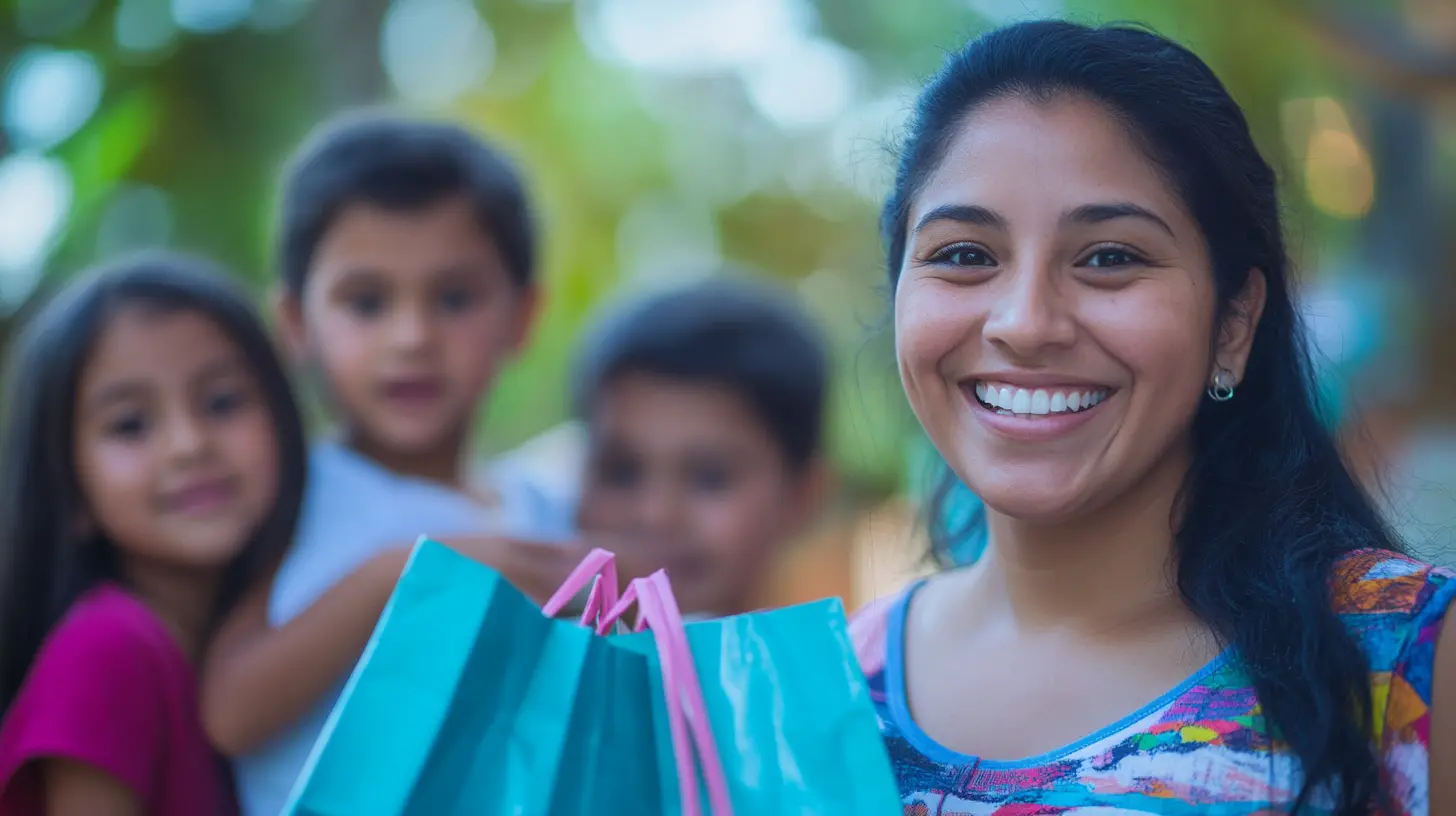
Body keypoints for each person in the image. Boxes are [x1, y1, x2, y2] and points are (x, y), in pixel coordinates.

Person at [850, 20, 1454, 815]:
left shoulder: (1407, 662)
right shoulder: (823, 690)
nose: (1025, 323)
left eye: (1109, 257)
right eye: (964, 254)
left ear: (1233, 324)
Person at [201, 112, 579, 816]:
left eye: (455, 298)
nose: (412, 337)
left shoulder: (540, 510)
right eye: (366, 302)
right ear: (296, 323)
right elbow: (231, 710)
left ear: (522, 317)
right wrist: (408, 573)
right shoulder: (285, 493)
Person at [0, 253, 308, 816]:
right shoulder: (106, 651)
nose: (189, 444)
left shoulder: (262, 644)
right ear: (68, 491)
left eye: (221, 402)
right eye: (130, 425)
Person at [571, 278, 831, 618]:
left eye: (710, 478)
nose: (656, 514)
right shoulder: (514, 664)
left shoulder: (841, 669)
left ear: (802, 497)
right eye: (622, 473)